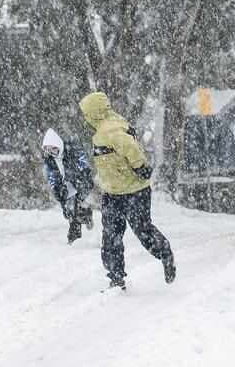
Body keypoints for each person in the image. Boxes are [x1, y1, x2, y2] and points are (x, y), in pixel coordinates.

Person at [78, 92, 175, 290]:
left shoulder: (110, 129)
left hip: (134, 190)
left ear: (94, 113)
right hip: (112, 192)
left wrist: (140, 166)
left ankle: (165, 254)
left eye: (86, 114)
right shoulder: (105, 127)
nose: (85, 118)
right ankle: (116, 278)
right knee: (111, 234)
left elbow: (130, 146)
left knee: (141, 228)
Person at [41, 128, 95, 244]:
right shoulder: (49, 160)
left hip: (80, 181)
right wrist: (57, 188)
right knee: (67, 211)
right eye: (48, 150)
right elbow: (52, 176)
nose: (52, 153)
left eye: (54, 149)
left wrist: (81, 175)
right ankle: (85, 214)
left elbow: (83, 162)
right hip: (66, 184)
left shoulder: (72, 149)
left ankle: (74, 237)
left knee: (73, 209)